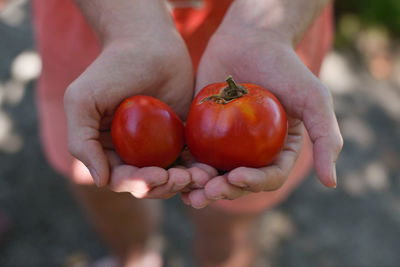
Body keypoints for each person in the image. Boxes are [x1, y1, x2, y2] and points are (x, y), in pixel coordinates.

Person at [32, 0, 343, 266]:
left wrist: (266, 32)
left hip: (269, 29)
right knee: (99, 178)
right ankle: (135, 258)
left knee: (231, 224)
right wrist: (129, 31)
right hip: (103, 31)